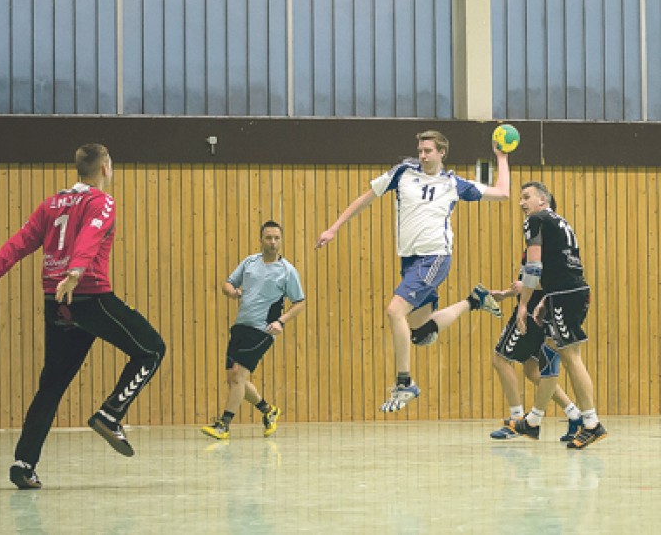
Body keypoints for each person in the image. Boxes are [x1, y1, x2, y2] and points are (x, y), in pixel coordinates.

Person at [0, 143, 166, 489]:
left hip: (56, 301)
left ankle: (24, 464)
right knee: (152, 349)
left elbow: (19, 242)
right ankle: (111, 413)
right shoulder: (102, 202)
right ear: (104, 168)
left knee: (51, 384)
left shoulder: (52, 203)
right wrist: (76, 269)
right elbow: (90, 235)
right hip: (88, 295)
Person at [315, 130, 509, 412]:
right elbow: (365, 198)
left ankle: (405, 383)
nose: (422, 155)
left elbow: (502, 193)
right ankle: (474, 300)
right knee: (418, 332)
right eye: (420, 150)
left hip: (435, 257)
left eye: (428, 150)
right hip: (409, 261)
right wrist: (334, 227)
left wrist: (501, 158)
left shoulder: (454, 184)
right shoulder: (402, 173)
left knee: (395, 311)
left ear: (442, 152)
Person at [506, 181, 606, 448]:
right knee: (550, 354)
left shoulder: (535, 220)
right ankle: (533, 421)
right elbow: (561, 265)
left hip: (565, 295)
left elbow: (534, 265)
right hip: (567, 292)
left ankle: (592, 423)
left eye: (526, 197)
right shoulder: (559, 221)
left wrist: (525, 304)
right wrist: (547, 299)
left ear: (543, 200)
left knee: (572, 357)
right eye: (520, 198)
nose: (521, 203)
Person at [201, 221, 305, 440]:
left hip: (262, 330)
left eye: (277, 238)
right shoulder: (249, 262)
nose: (273, 242)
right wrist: (233, 293)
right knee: (233, 378)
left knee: (239, 374)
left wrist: (281, 322)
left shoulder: (287, 271)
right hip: (240, 327)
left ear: (281, 240)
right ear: (261, 240)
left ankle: (224, 424)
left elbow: (299, 302)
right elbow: (227, 283)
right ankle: (268, 410)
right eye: (268, 238)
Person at [488, 245, 583, 442]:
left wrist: (527, 289)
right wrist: (506, 294)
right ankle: (575, 416)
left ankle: (517, 420)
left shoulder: (550, 244)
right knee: (532, 370)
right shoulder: (535, 243)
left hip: (532, 313)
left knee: (500, 359)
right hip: (537, 311)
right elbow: (529, 283)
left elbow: (556, 281)